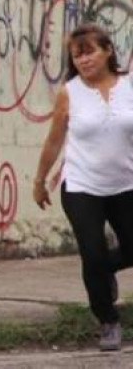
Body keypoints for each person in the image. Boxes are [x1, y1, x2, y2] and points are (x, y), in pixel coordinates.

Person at [33, 22, 133, 351]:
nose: (84, 60)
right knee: (92, 253)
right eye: (77, 56)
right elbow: (53, 140)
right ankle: (108, 321)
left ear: (108, 51)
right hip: (81, 186)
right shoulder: (70, 93)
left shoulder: (129, 86)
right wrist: (39, 181)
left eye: (89, 52)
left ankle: (104, 271)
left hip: (125, 184)